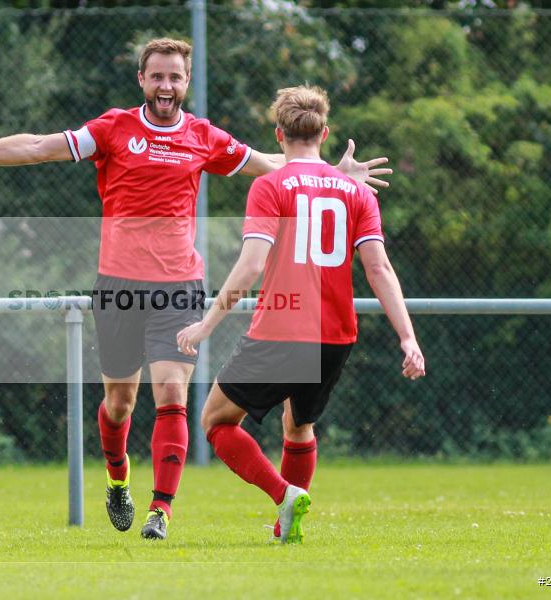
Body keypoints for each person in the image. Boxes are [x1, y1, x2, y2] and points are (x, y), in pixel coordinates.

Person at [0, 38, 390, 540]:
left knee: (173, 394)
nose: (166, 86)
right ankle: (119, 480)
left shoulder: (202, 136)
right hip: (117, 285)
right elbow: (38, 146)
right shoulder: (114, 128)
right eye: (157, 76)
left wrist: (336, 175)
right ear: (142, 79)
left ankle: (161, 511)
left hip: (179, 285)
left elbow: (279, 163)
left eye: (175, 77)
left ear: (186, 82)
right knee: (119, 403)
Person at [176, 84, 425, 543]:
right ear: (324, 133)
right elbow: (379, 268)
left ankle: (283, 494)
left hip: (282, 328)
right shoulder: (356, 194)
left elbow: (251, 265)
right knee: (300, 424)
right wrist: (408, 337)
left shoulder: (270, 186)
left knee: (215, 421)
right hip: (335, 334)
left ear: (278, 134)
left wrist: (207, 323)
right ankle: (285, 527)